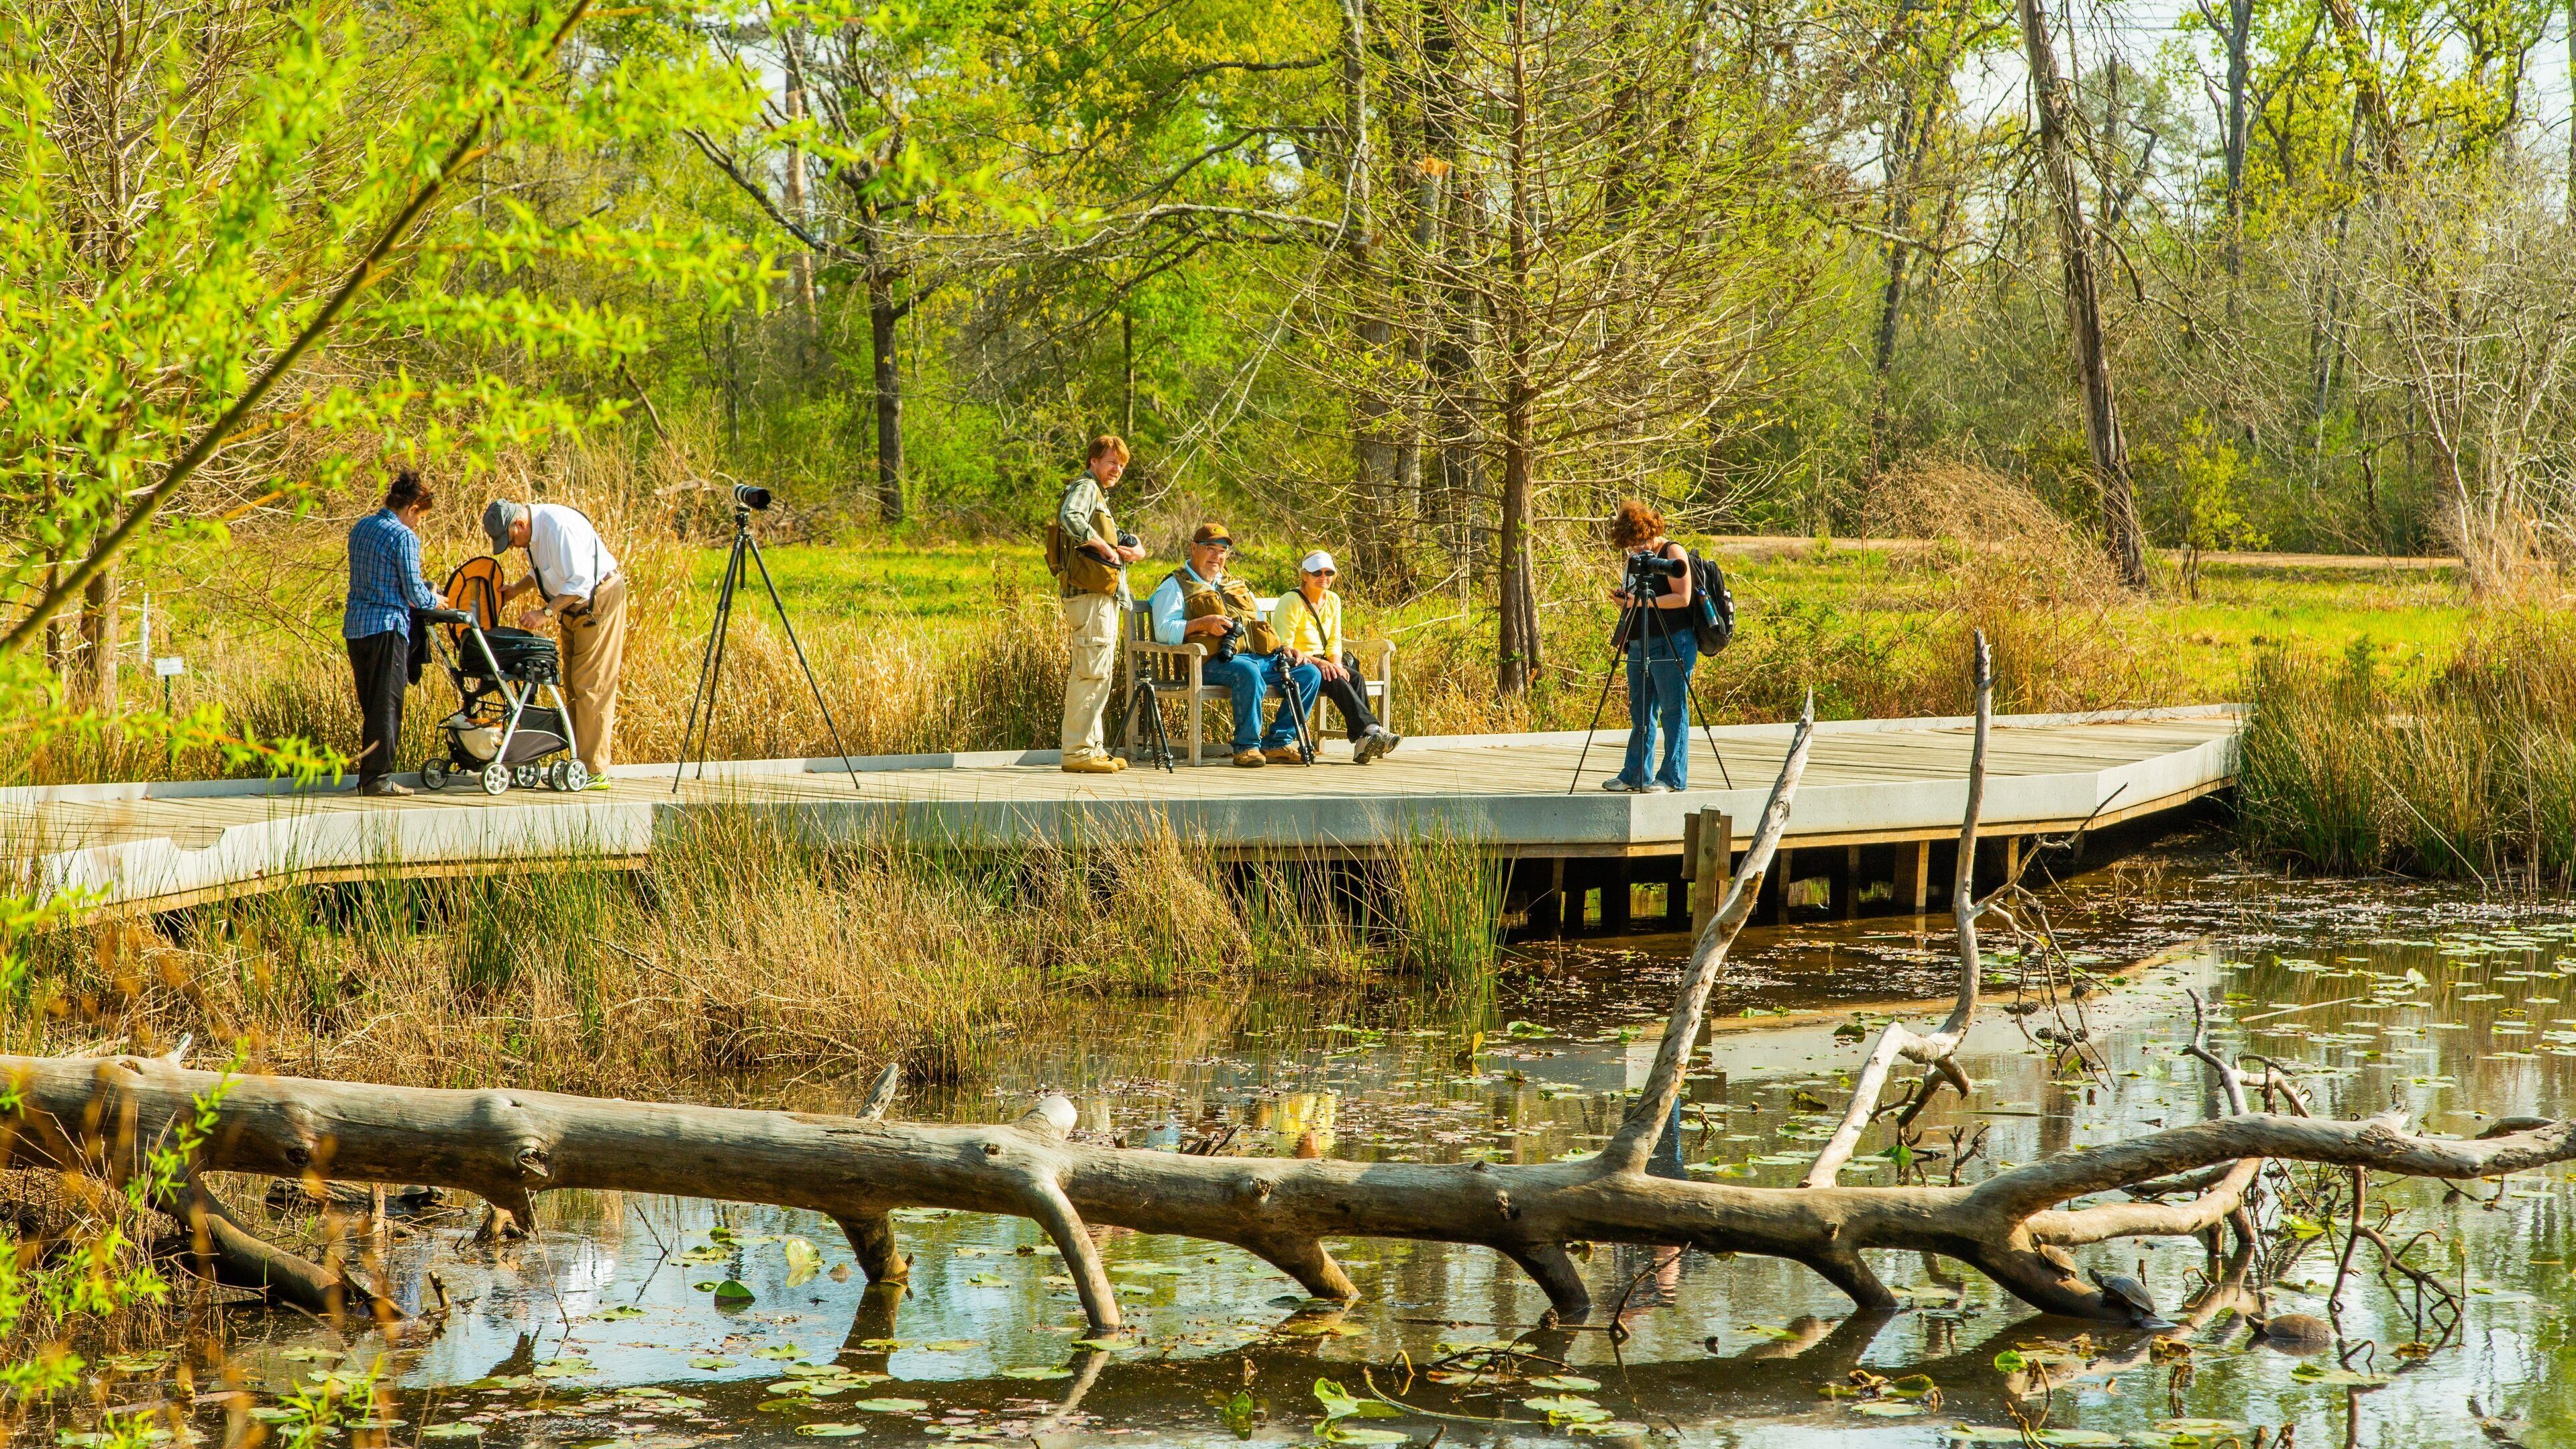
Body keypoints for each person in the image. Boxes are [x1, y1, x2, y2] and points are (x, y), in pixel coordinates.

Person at [1146, 523, 1321, 767]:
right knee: (1246, 672)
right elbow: (1164, 630)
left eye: (1222, 551)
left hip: (1255, 658)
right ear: (1194, 548)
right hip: (1207, 663)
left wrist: (1283, 648)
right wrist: (1204, 623)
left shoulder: (1235, 585)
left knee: (1309, 673)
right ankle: (1246, 747)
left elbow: (1260, 623)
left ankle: (1277, 743)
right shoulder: (1175, 585)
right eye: (1210, 549)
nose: (1217, 557)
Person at [482, 498, 625, 786]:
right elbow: (542, 572)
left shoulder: (558, 528)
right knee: (573, 685)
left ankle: (595, 770)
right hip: (573, 609)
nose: (512, 547)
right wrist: (515, 591)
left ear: (519, 524)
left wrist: (545, 613)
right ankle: (578, 762)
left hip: (598, 602)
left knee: (592, 685)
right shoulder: (533, 534)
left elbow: (581, 581)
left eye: (510, 541)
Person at [342, 471, 441, 797]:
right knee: (387, 706)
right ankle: (378, 779)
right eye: (421, 518)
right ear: (412, 508)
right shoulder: (403, 537)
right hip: (387, 627)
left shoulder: (361, 528)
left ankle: (368, 777)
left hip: (357, 627)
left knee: (371, 705)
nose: (419, 525)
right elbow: (414, 591)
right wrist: (434, 600)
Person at [1051, 435, 1146, 775]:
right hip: (1090, 598)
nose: (1117, 469)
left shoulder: (1098, 494)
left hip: (1100, 597)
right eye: (1111, 462)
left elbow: (1105, 534)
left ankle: (1093, 749)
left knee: (1098, 672)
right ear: (1093, 461)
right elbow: (1070, 517)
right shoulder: (1086, 487)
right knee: (1091, 673)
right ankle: (1077, 752)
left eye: (1121, 465)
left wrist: (1130, 550)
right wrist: (1105, 549)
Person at [1269, 550, 1401, 763]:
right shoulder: (1291, 600)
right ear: (1305, 575)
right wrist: (1322, 663)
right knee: (1334, 676)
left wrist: (1336, 663)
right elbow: (1285, 646)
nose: (1324, 577)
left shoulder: (1333, 600)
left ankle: (1363, 740)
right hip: (1299, 663)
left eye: (1328, 572)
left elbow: (1334, 639)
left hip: (1323, 660)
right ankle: (1373, 730)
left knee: (1353, 676)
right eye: (1317, 573)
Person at [1601, 499, 1697, 794]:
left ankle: (1671, 777)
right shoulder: (1636, 559)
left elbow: (1683, 598)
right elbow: (1636, 595)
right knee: (1641, 711)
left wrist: (1640, 601)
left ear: (1650, 530)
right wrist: (1626, 598)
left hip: (1674, 641)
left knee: (1673, 709)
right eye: (1630, 545)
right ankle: (1634, 774)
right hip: (1641, 640)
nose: (1635, 550)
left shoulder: (1672, 552)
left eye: (1639, 542)